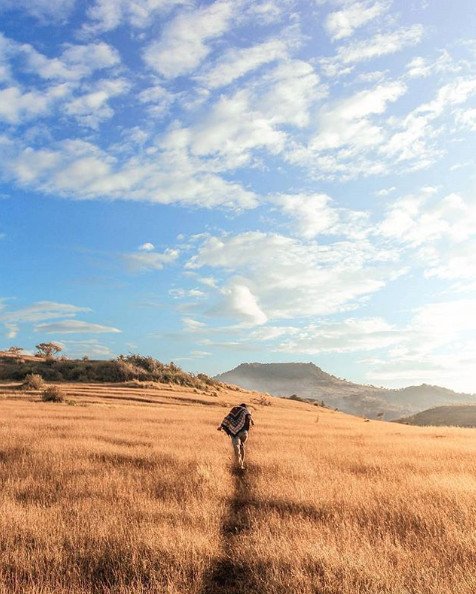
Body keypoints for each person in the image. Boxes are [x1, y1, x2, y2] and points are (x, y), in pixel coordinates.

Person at [217, 403, 254, 469]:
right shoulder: (246, 411)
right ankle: (241, 464)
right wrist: (252, 421)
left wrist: (221, 426)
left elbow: (226, 419)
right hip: (244, 433)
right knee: (241, 445)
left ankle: (239, 465)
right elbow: (249, 417)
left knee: (236, 449)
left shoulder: (233, 411)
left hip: (234, 434)